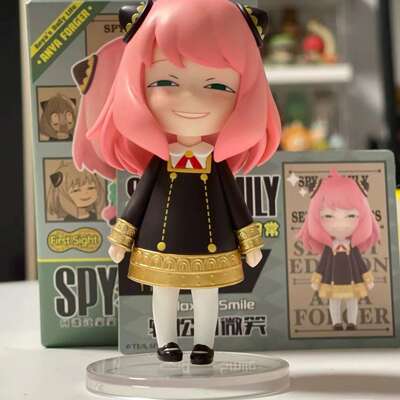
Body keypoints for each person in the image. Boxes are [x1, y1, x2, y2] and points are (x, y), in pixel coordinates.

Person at [71, 0, 280, 364]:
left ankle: (204, 344)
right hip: (159, 246)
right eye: (166, 81)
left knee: (207, 294)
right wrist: (121, 239)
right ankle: (166, 342)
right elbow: (138, 203)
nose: (191, 98)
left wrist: (250, 244)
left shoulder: (216, 166)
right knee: (163, 291)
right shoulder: (159, 164)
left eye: (218, 85)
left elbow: (236, 206)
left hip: (211, 248)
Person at [297, 170, 380, 331]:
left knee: (352, 301)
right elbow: (323, 264)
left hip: (352, 279)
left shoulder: (352, 247)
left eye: (350, 216)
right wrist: (317, 279)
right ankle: (336, 322)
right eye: (328, 216)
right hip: (332, 280)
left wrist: (367, 278)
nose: (340, 224)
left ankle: (352, 322)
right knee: (333, 302)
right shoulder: (329, 248)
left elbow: (360, 264)